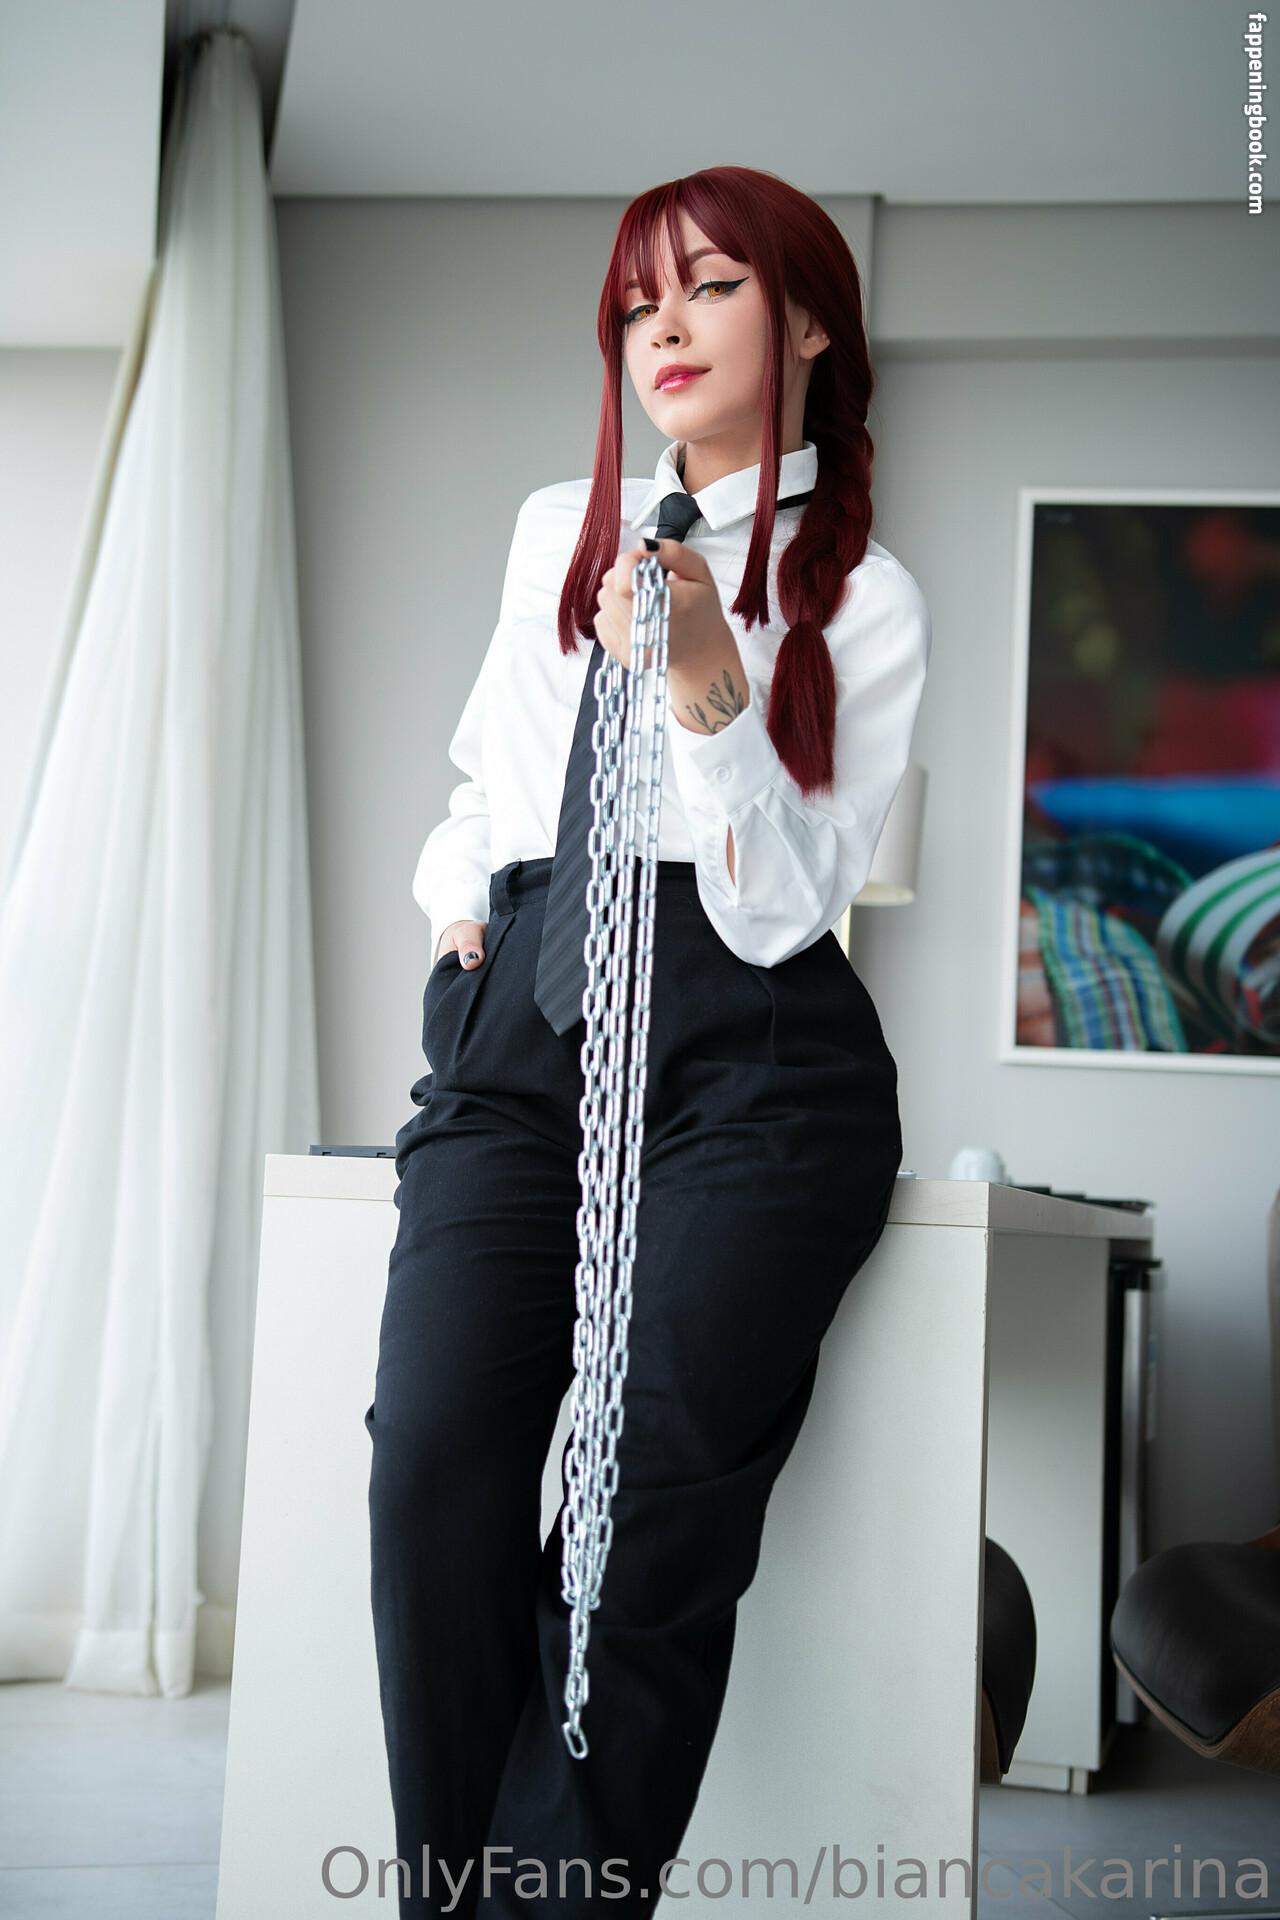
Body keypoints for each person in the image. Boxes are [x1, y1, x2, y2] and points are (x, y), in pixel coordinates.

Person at [365, 165, 932, 1920]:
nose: (661, 328)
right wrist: (459, 905)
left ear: (810, 321)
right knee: (433, 1463)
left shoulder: (866, 596)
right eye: (636, 302)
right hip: (528, 1013)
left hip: (750, 1050)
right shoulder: (560, 525)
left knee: (642, 1514)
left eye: (708, 287)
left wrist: (705, 682)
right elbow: (488, 774)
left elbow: (789, 908)